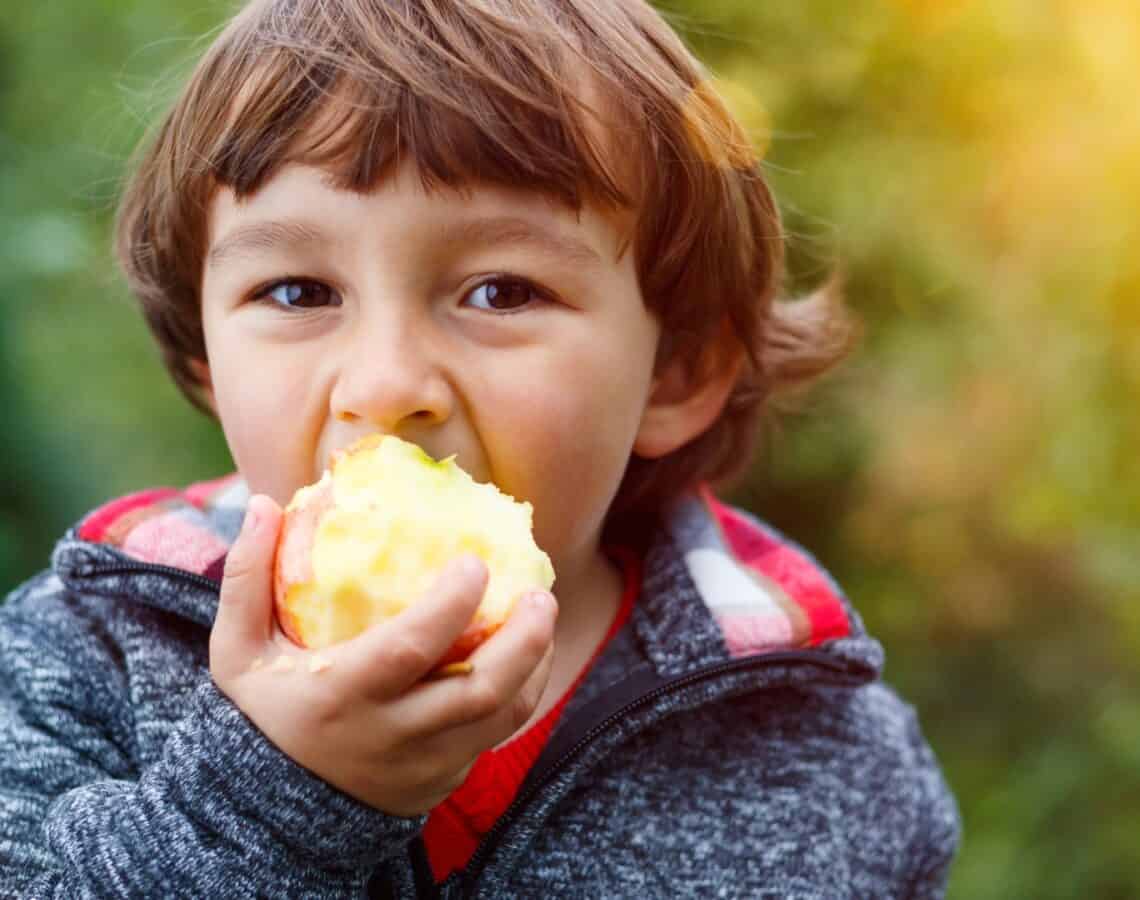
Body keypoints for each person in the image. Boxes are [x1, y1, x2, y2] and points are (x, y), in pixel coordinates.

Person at [0, 0, 959, 896]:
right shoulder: (79, 660)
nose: (384, 387)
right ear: (207, 356)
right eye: (298, 292)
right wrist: (272, 800)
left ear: (673, 373)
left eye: (501, 291)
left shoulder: (830, 759)